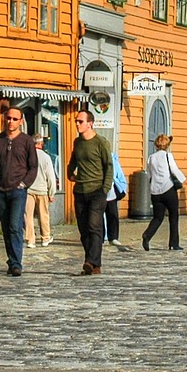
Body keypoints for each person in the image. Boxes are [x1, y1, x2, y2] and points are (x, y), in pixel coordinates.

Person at [0, 106, 38, 276]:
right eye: (8, 118)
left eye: (15, 119)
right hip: (1, 190)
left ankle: (16, 263)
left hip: (18, 190)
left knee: (15, 226)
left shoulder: (26, 141)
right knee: (6, 227)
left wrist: (24, 184)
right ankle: (11, 260)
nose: (11, 121)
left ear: (21, 121)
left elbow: (33, 167)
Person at [68, 108, 111, 275]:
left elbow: (109, 166)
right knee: (84, 229)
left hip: (97, 190)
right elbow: (73, 161)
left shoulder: (101, 142)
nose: (77, 124)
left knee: (94, 225)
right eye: (76, 121)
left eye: (80, 121)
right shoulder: (78, 142)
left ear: (90, 123)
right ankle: (94, 264)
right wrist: (70, 173)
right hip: (80, 190)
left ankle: (91, 260)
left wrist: (105, 188)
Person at [143, 133, 184, 251]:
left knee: (157, 217)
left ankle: (147, 235)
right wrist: (186, 182)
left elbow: (149, 174)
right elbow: (175, 170)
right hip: (168, 188)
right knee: (173, 216)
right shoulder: (168, 156)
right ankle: (173, 243)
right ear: (167, 145)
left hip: (155, 191)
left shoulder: (151, 158)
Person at [25, 133, 58, 248]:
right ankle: (45, 238)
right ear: (41, 144)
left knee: (28, 216)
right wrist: (52, 192)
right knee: (43, 215)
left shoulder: (26, 156)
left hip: (28, 189)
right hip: (42, 190)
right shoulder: (45, 157)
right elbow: (51, 176)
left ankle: (30, 240)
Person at [105, 148, 128, 250]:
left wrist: (121, 186)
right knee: (99, 216)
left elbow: (119, 175)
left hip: (111, 192)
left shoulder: (113, 159)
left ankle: (113, 237)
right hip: (98, 191)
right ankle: (101, 237)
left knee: (112, 214)